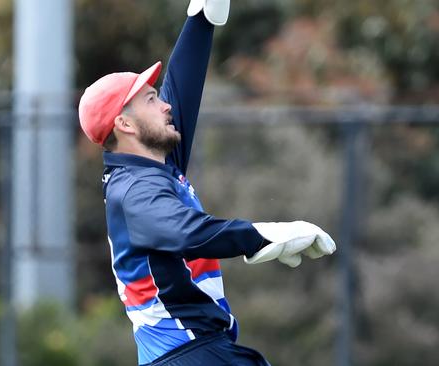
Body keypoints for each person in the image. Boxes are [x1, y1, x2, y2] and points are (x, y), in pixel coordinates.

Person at [78, 2, 336, 365]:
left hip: (197, 352)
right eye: (152, 99)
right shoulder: (135, 190)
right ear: (125, 125)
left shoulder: (154, 164)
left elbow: (182, 84)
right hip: (188, 355)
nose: (165, 105)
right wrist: (260, 235)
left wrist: (201, 18)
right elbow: (183, 232)